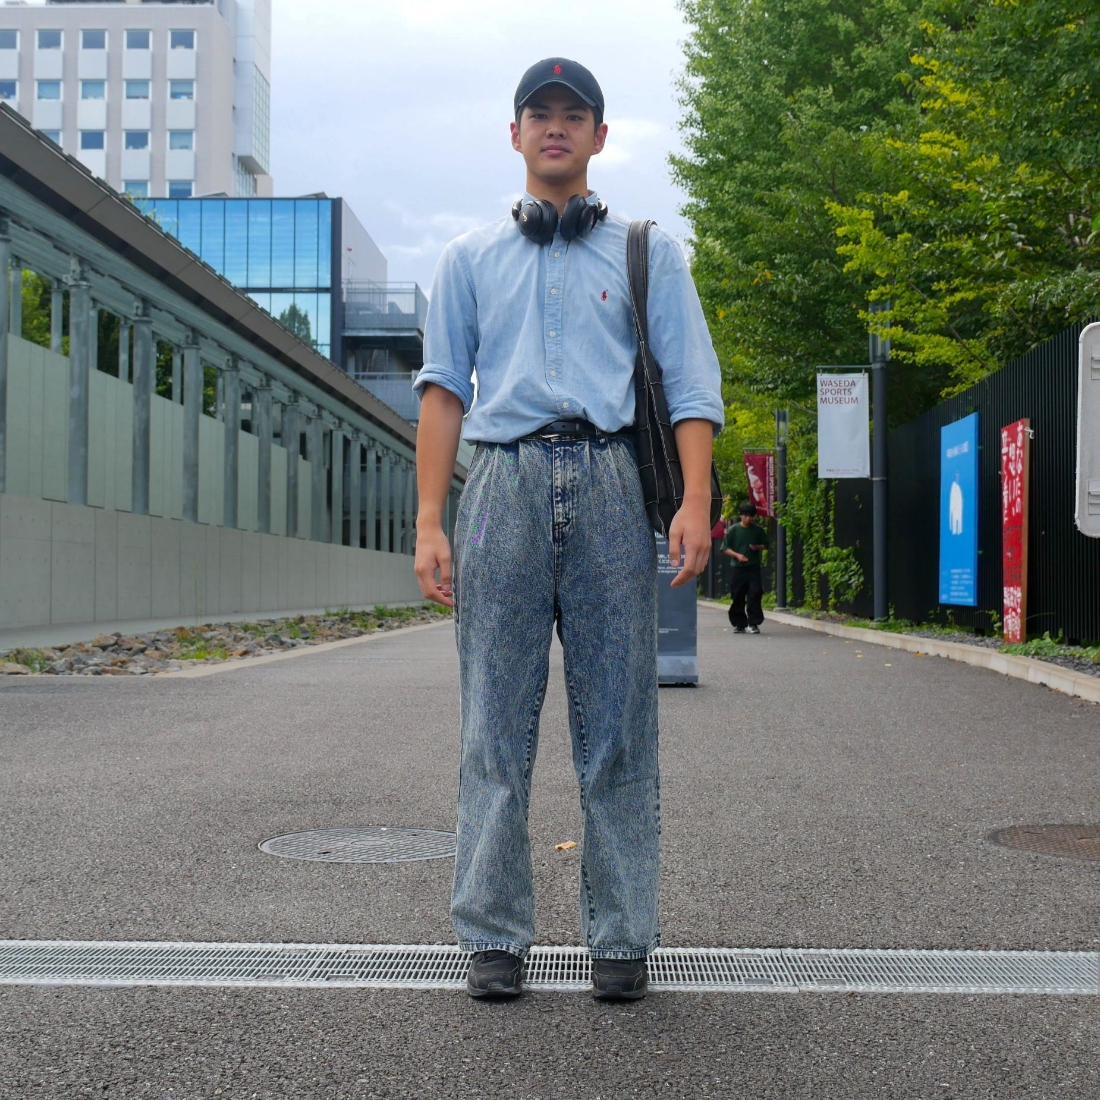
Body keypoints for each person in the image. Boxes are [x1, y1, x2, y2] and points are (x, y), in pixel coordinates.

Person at [412, 57, 723, 1002]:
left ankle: (622, 939)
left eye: (573, 115)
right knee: (492, 726)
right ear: (514, 136)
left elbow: (692, 384)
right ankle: (494, 934)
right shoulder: (468, 259)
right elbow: (442, 392)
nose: (555, 128)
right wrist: (431, 519)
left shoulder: (647, 252)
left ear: (598, 135)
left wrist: (695, 499)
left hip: (609, 482)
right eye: (538, 115)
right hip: (500, 483)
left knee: (620, 723)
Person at [723, 502, 769, 634]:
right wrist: (737, 555)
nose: (748, 518)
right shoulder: (733, 530)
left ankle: (753, 623)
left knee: (755, 593)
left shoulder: (758, 530)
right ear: (741, 516)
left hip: (753, 568)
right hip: (738, 568)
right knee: (738, 595)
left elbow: (765, 545)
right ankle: (739, 624)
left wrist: (757, 547)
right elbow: (725, 548)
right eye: (746, 516)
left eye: (751, 516)